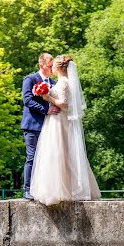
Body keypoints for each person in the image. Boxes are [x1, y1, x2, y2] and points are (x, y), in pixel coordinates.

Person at [30, 55, 101, 206]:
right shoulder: (64, 82)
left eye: (53, 65)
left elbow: (64, 104)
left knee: (59, 153)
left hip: (59, 121)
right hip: (57, 121)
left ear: (59, 67)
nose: (51, 67)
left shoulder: (63, 83)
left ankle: (61, 190)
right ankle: (67, 188)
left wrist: (48, 98)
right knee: (61, 153)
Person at [21, 53, 59, 200]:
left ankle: (43, 189)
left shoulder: (54, 83)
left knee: (47, 158)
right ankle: (27, 190)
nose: (52, 69)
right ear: (41, 65)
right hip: (32, 125)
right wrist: (46, 110)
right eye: (50, 66)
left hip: (50, 127)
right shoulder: (30, 79)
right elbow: (28, 101)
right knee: (32, 157)